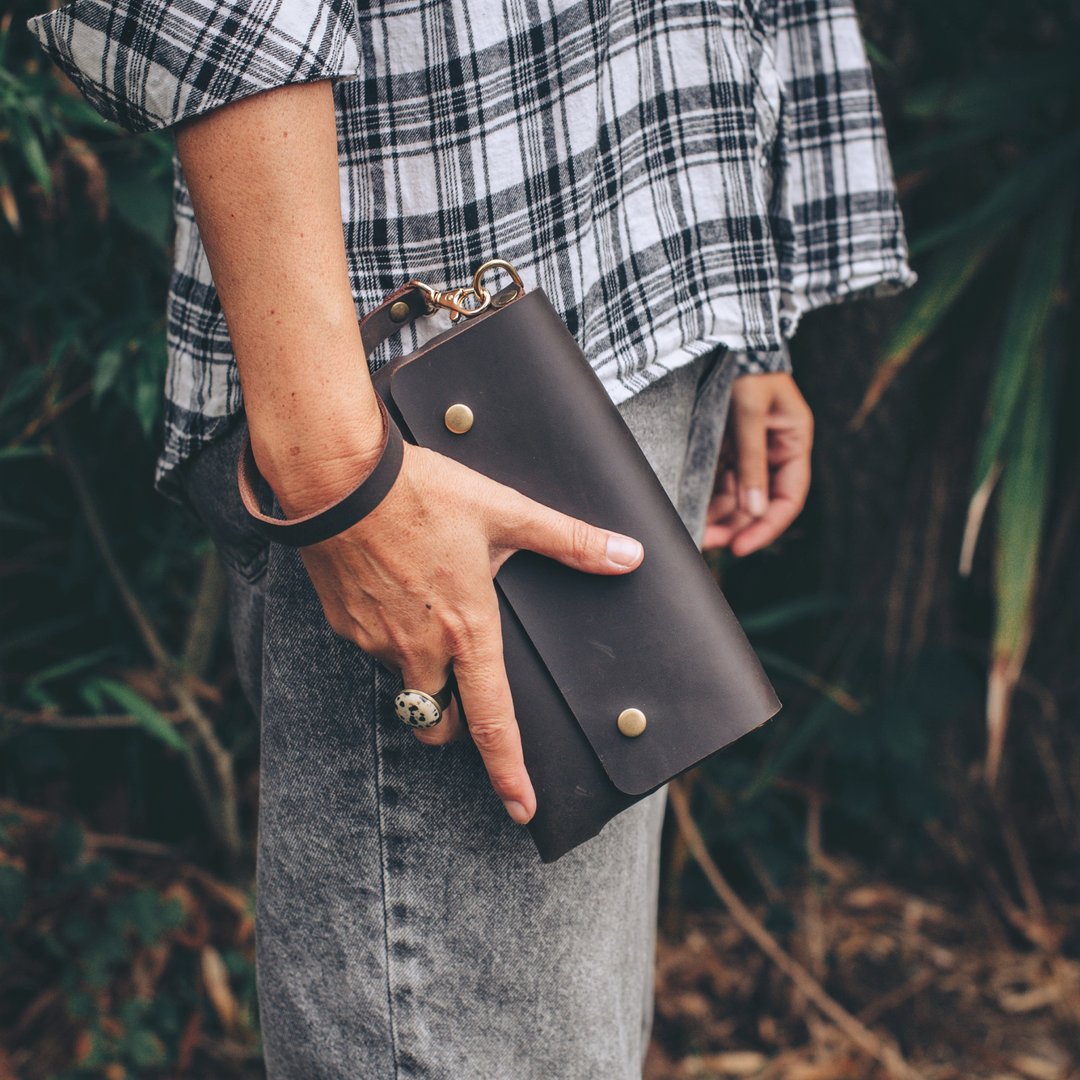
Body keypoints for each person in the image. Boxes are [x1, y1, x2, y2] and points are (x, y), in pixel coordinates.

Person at [28, 1, 913, 1075]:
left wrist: (751, 321)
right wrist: (337, 478)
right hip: (416, 406)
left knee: (566, 1043)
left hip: (646, 294)